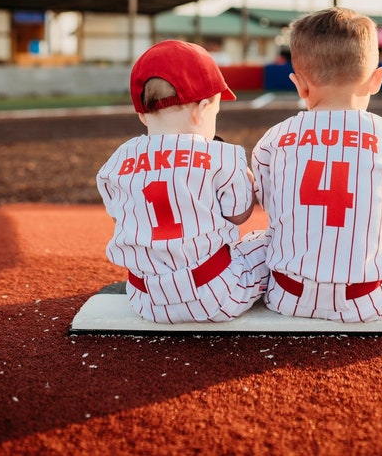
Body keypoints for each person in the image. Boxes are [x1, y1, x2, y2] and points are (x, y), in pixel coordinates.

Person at [252, 7, 382, 322]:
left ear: (299, 84)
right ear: (376, 80)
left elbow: (269, 204)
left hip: (288, 296)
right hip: (371, 300)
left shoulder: (274, 138)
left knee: (266, 232)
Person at [97, 40, 268, 323]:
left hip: (145, 300)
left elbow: (120, 215)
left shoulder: (117, 161)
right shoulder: (221, 155)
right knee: (264, 243)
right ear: (201, 109)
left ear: (142, 114)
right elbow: (239, 215)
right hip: (217, 296)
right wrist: (247, 182)